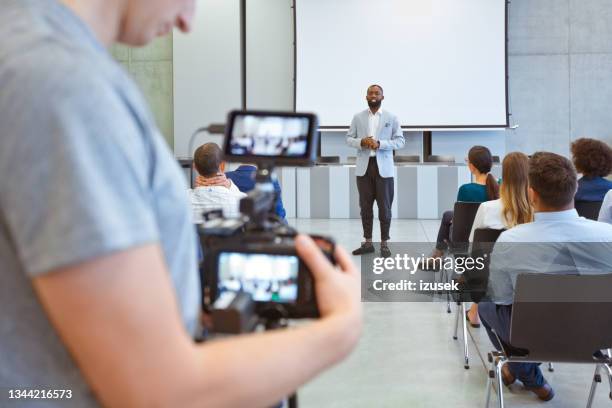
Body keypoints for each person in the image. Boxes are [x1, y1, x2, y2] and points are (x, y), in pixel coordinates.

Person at [0, 1, 362, 407]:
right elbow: (156, 388)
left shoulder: (35, 54)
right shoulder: (63, 87)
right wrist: (339, 330)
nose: (188, 22)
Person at [480, 152, 612, 402]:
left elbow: (503, 299)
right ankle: (524, 373)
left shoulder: (511, 240)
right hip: (596, 337)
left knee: (487, 303)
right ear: (574, 190)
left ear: (531, 194)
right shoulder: (608, 236)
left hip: (531, 335)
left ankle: (528, 375)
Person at [465, 152, 533, 327]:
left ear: (504, 176)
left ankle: (476, 311)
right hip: (531, 283)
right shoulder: (538, 213)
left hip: (491, 281)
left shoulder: (487, 209)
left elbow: (473, 248)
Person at [346, 84, 405, 258]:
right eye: (370, 93)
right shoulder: (358, 117)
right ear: (366, 97)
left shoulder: (391, 117)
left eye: (377, 93)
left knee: (385, 208)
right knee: (365, 208)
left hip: (384, 169)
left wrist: (380, 144)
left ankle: (385, 244)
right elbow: (349, 139)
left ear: (382, 97)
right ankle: (368, 242)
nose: (373, 95)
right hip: (364, 168)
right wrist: (361, 142)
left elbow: (400, 141)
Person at [430, 146, 500, 260]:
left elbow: (459, 221)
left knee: (448, 217)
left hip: (465, 241)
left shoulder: (465, 189)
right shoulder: (498, 189)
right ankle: (437, 255)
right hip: (492, 241)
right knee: (448, 214)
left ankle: (437, 255)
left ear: (472, 167)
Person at [190, 143, 246, 223]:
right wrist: (230, 185)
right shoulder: (242, 202)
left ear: (195, 167)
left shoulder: (182, 200)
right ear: (222, 165)